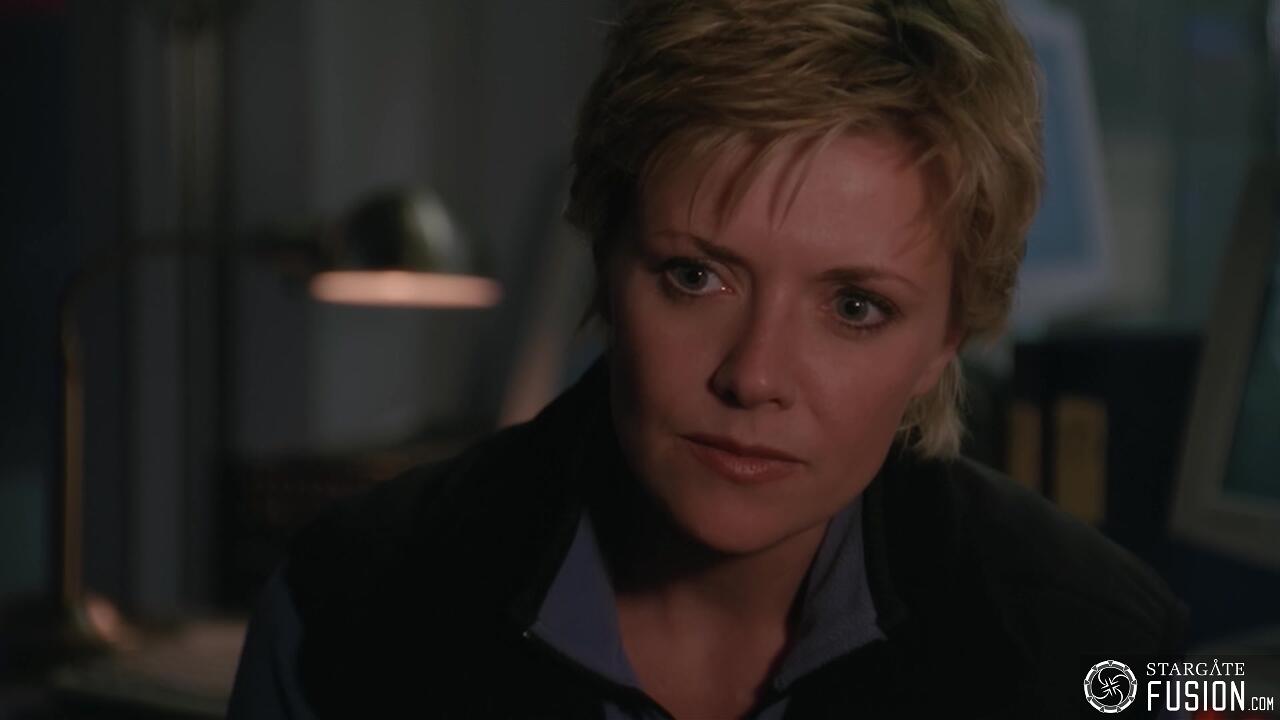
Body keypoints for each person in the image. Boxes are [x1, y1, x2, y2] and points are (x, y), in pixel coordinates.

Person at [229, 1, 1186, 718]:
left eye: (856, 306)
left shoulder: (1103, 652)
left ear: (947, 339)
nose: (753, 376)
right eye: (695, 276)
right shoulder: (345, 609)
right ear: (606, 258)